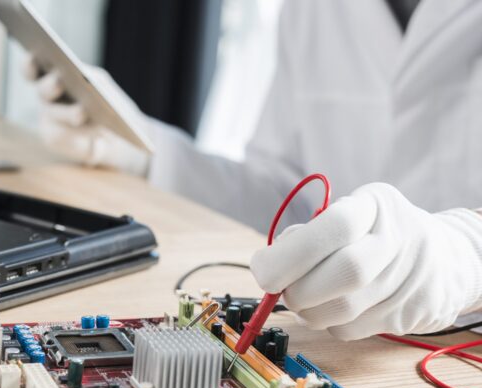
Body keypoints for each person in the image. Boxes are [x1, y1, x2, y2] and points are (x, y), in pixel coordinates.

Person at [26, 0, 482, 341]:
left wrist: (463, 259)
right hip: (343, 350)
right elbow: (291, 200)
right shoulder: (311, 10)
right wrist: (149, 151)